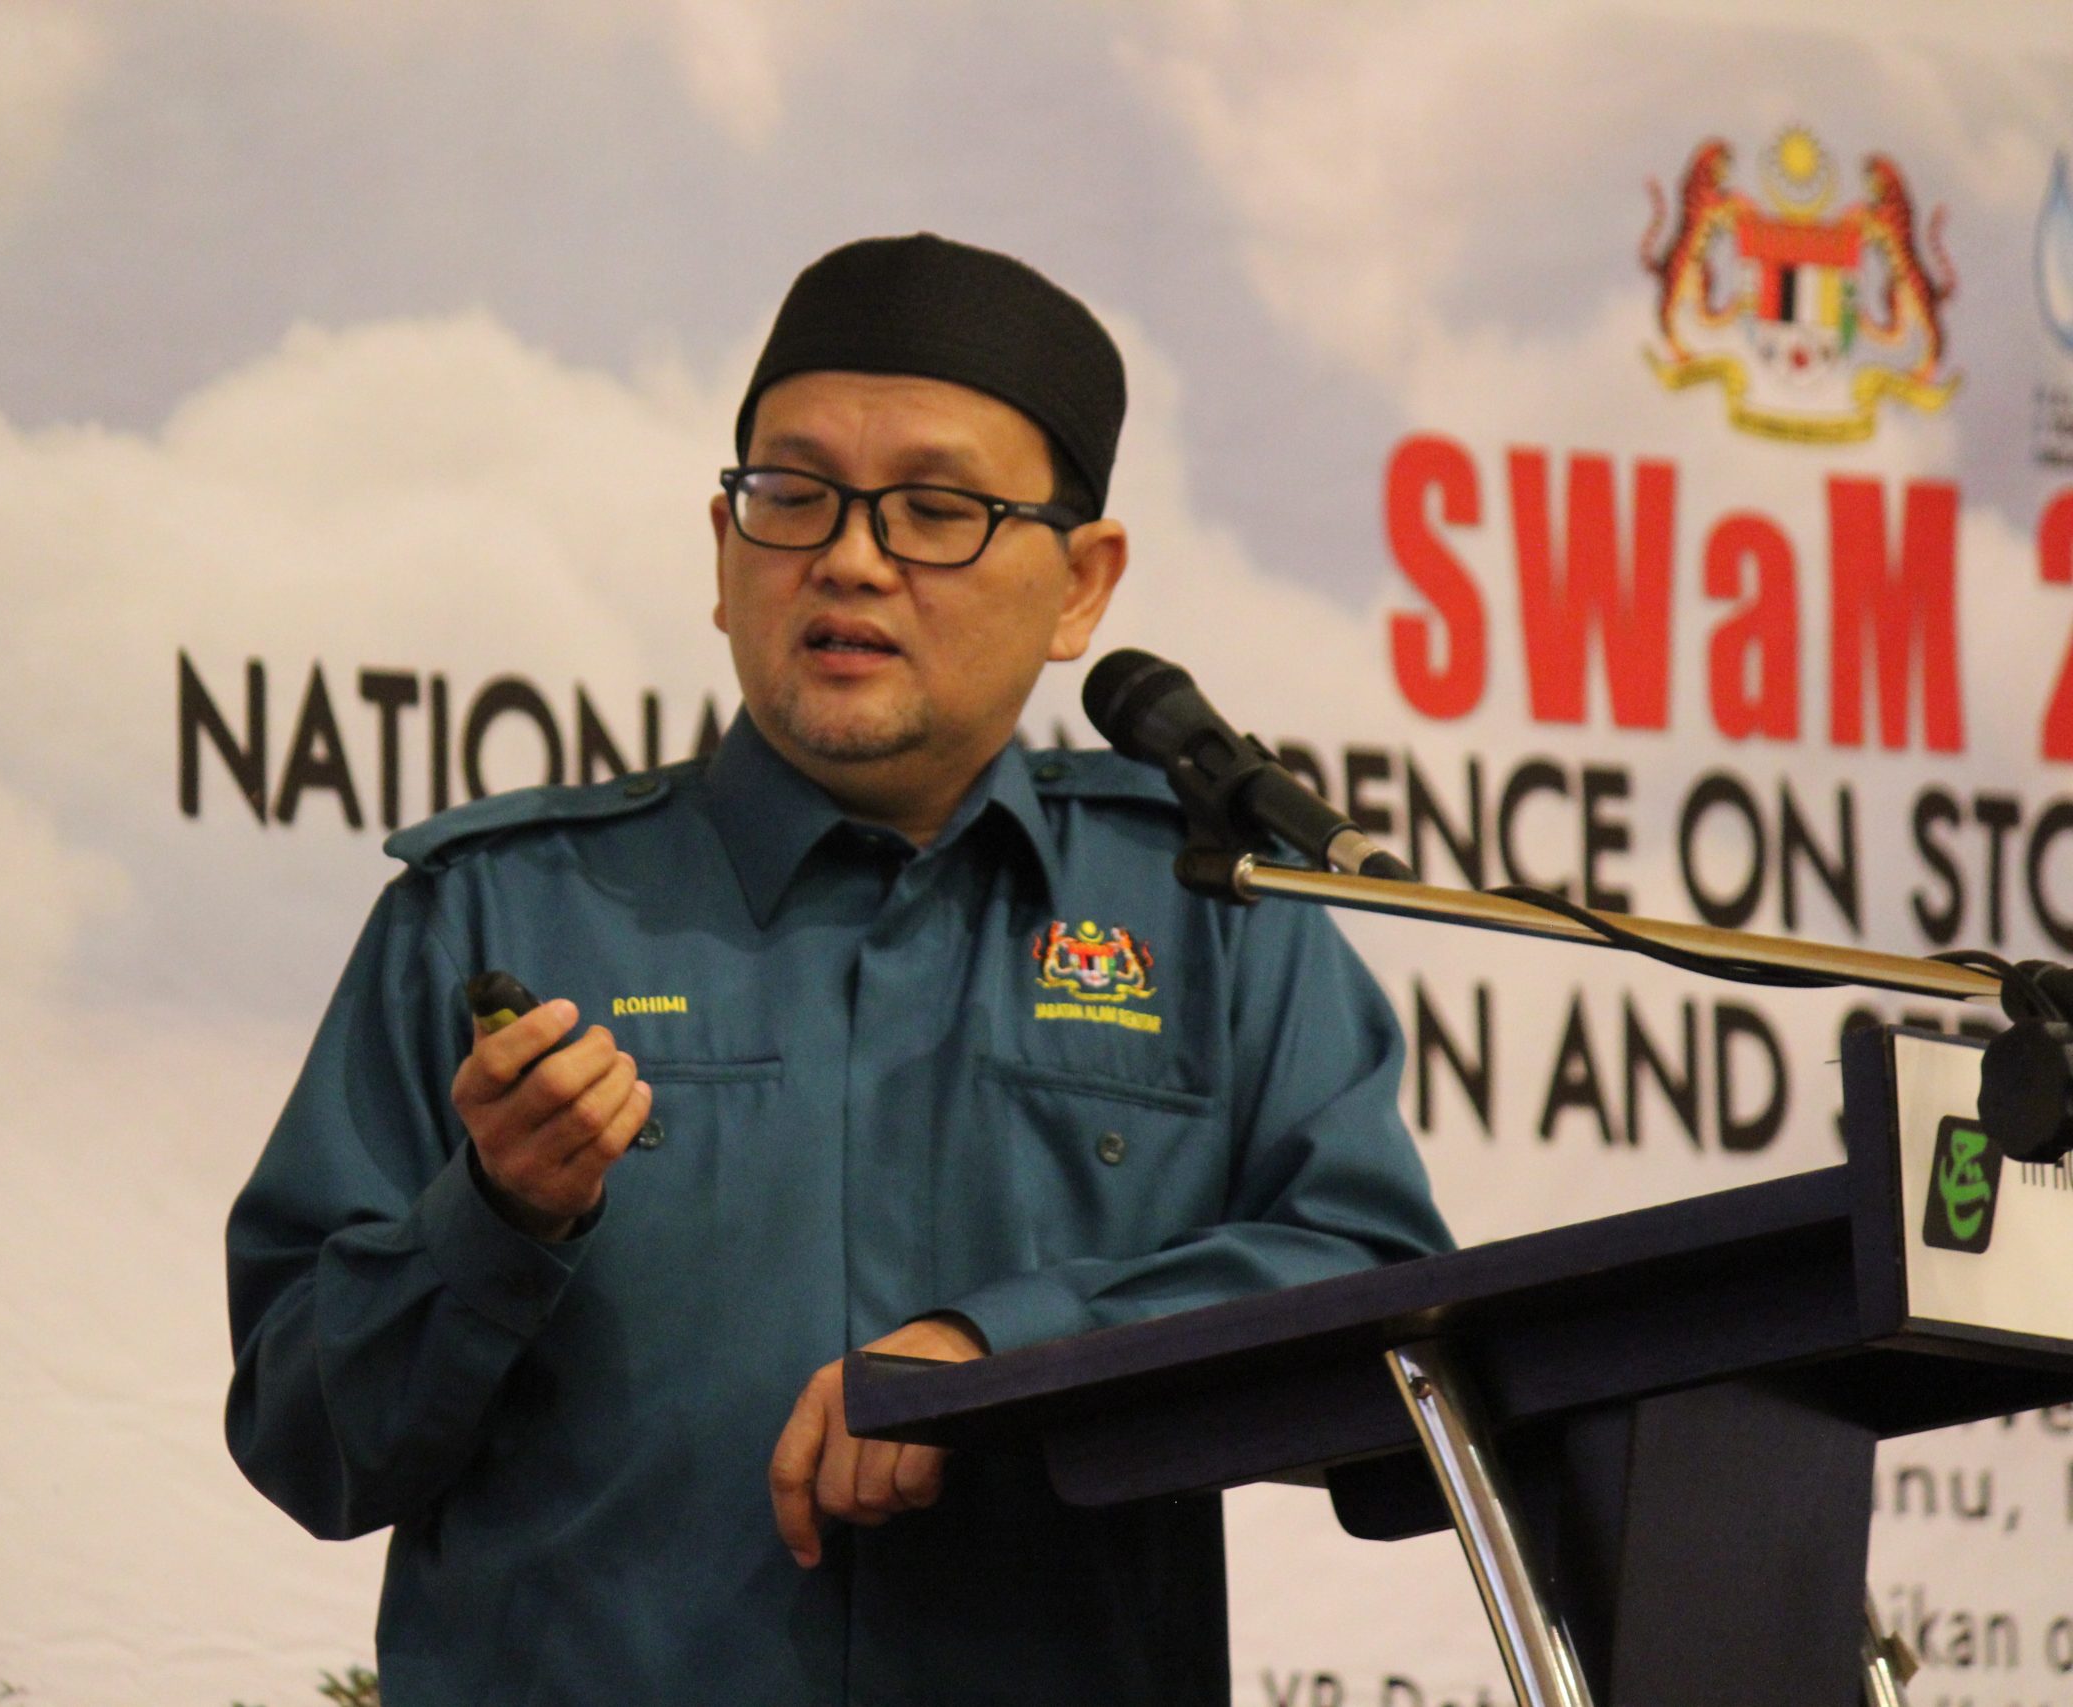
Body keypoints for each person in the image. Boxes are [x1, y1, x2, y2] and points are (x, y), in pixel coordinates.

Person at [225, 233, 1453, 1706]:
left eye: (936, 510)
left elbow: (1385, 1319)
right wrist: (496, 1216)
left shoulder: (1213, 916)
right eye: (792, 496)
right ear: (724, 550)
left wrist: (1006, 1356)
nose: (851, 558)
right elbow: (304, 1435)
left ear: (1081, 586)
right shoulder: (504, 917)